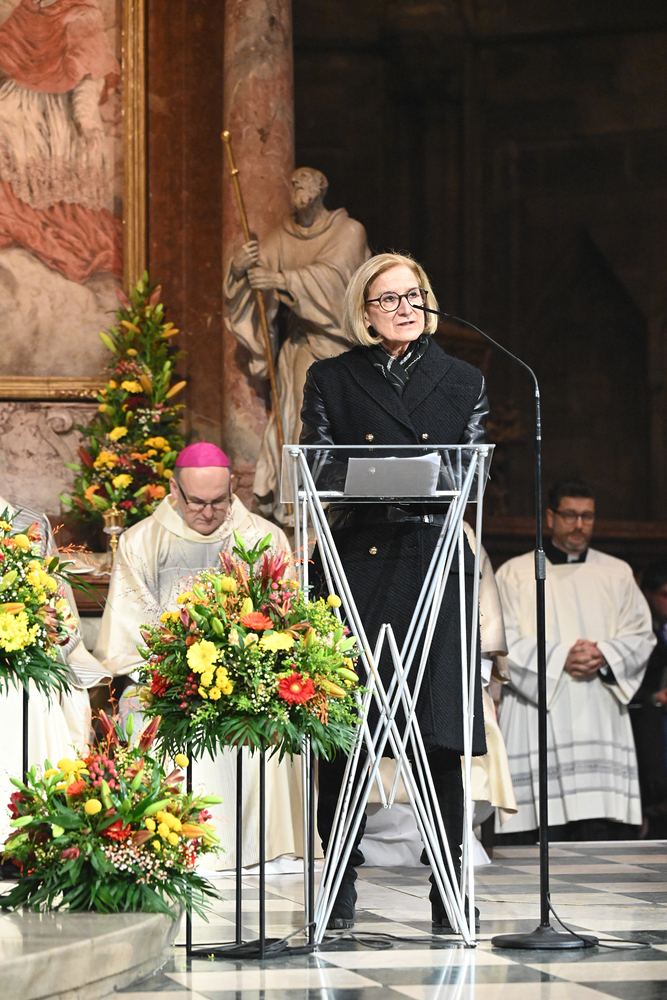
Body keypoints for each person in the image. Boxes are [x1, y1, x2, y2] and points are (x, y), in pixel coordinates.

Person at [300, 251, 489, 929]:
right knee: (343, 737)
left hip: (434, 563)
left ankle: (450, 891)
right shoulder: (332, 377)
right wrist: (391, 476)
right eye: (387, 299)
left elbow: (474, 473)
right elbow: (317, 466)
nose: (404, 308)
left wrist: (407, 476)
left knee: (437, 738)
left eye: (413, 295)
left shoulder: (463, 378)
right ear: (364, 310)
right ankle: (338, 889)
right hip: (357, 562)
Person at [93, 442, 307, 868]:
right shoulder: (140, 541)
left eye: (218, 501)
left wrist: (244, 670)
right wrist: (180, 673)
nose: (207, 513)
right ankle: (168, 843)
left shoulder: (264, 538)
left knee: (279, 714)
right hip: (169, 682)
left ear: (233, 487)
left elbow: (288, 622)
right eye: (195, 502)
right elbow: (130, 634)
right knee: (141, 712)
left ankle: (270, 848)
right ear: (174, 489)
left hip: (248, 682)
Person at [495, 479, 656, 844]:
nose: (579, 525)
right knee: (540, 834)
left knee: (601, 838)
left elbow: (642, 634)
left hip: (600, 713)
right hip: (539, 711)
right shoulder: (515, 573)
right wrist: (560, 658)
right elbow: (499, 640)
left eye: (588, 516)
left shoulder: (616, 572)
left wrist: (605, 654)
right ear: (550, 517)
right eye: (570, 515)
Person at [224, 167, 370, 520]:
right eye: (293, 183)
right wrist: (239, 270)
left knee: (341, 425)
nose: (297, 187)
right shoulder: (282, 236)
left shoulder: (348, 230)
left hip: (340, 349)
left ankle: (338, 505)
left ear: (322, 187)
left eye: (305, 181)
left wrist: (280, 279)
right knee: (298, 423)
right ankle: (298, 510)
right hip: (301, 346)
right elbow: (254, 282)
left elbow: (334, 281)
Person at [0, 490, 107, 847]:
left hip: (22, 657)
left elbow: (59, 613)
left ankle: (33, 831)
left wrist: (44, 636)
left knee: (32, 691)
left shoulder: (29, 523)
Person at [629, 560, 667, 838]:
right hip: (642, 721)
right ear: (648, 594)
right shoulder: (636, 632)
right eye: (665, 595)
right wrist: (654, 696)